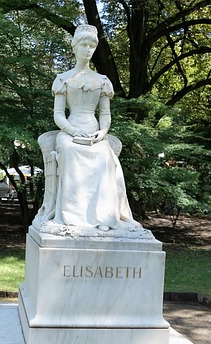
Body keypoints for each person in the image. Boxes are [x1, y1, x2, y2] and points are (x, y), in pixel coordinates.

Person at [43, 24, 139, 232]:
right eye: (84, 45)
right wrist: (72, 131)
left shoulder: (102, 81)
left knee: (105, 156)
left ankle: (103, 218)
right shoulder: (63, 79)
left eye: (91, 46)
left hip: (95, 133)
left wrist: (102, 133)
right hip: (70, 132)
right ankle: (72, 217)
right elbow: (58, 114)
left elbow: (105, 114)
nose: (88, 50)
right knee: (69, 151)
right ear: (75, 47)